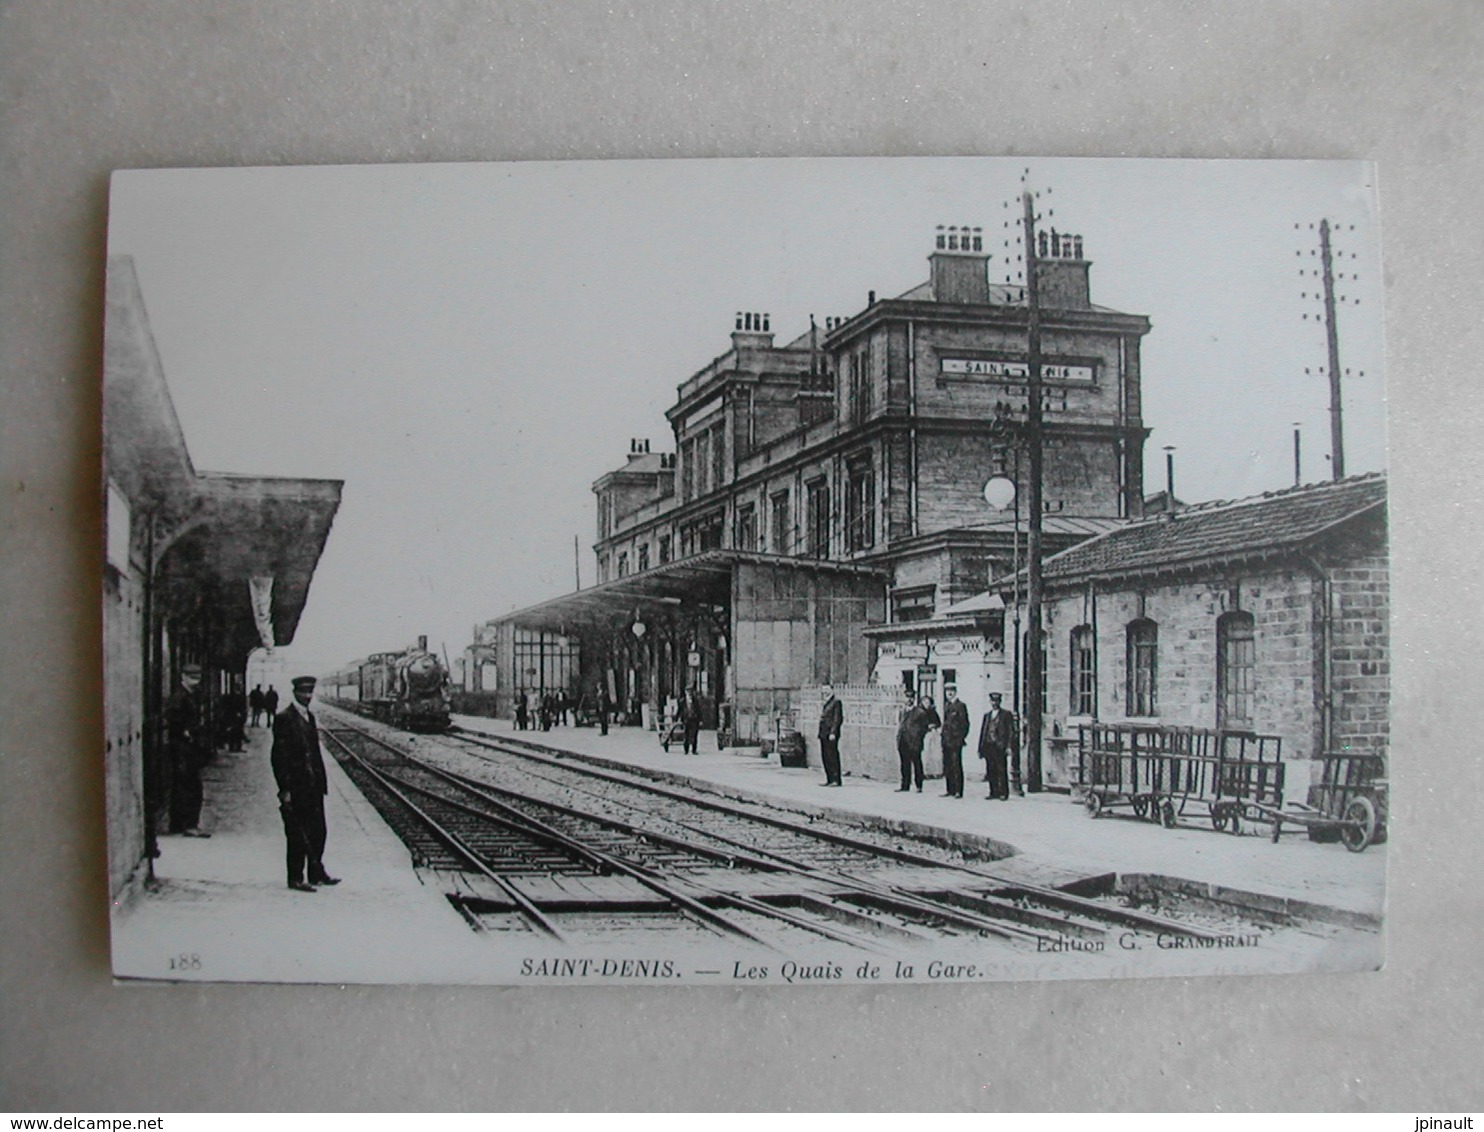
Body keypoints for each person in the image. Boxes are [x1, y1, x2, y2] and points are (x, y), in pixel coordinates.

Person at [270, 675, 339, 892]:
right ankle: (296, 877)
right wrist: (285, 789)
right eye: (303, 693)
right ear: (295, 693)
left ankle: (316, 872)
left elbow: (314, 753)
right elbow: (278, 757)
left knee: (319, 830)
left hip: (314, 785)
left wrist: (321, 782)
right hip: (297, 785)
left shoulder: (309, 717)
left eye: (310, 692)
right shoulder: (284, 718)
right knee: (297, 833)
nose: (307, 696)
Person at [166, 663, 210, 837]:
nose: (195, 681)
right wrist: (186, 732)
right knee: (190, 786)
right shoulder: (180, 697)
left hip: (186, 746)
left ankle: (178, 824)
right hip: (184, 747)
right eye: (192, 677)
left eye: (197, 677)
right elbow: (172, 717)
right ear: (183, 677)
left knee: (182, 785)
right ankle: (189, 825)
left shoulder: (189, 695)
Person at [895, 694, 941, 793]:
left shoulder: (920, 713)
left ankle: (919, 785)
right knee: (904, 764)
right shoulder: (902, 711)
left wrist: (918, 736)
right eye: (907, 697)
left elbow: (925, 727)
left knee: (917, 764)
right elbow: (901, 724)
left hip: (914, 742)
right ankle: (905, 785)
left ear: (914, 699)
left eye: (911, 697)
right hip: (903, 741)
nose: (908, 699)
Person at [978, 692, 1019, 800]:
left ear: (999, 702)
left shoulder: (1006, 714)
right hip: (989, 745)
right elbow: (983, 732)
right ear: (990, 702)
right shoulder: (987, 716)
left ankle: (1003, 793)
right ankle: (993, 791)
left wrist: (1009, 746)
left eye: (996, 701)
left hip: (1000, 746)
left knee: (1001, 769)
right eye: (992, 701)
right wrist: (980, 748)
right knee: (991, 770)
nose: (994, 703)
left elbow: (1010, 731)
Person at [939, 685, 969, 798]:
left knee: (956, 765)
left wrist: (960, 737)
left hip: (955, 741)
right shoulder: (947, 705)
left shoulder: (960, 706)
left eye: (951, 691)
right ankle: (950, 789)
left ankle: (958, 791)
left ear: (955, 692)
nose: (949, 693)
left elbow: (965, 724)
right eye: (947, 691)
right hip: (946, 741)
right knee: (948, 765)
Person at [817, 684, 843, 786]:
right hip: (823, 733)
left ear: (832, 690)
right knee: (825, 756)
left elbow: (837, 719)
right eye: (823, 690)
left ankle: (836, 779)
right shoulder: (826, 702)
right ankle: (829, 778)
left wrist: (833, 732)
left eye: (827, 690)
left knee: (832, 756)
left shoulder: (836, 702)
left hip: (830, 734)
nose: (825, 692)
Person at [679, 690, 703, 755]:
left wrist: (700, 720)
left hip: (694, 719)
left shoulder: (695, 701)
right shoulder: (682, 701)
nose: (689, 694)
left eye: (690, 692)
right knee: (686, 735)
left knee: (694, 734)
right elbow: (679, 711)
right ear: (685, 693)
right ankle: (686, 750)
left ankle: (694, 750)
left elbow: (699, 710)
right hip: (686, 720)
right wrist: (677, 719)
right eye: (688, 692)